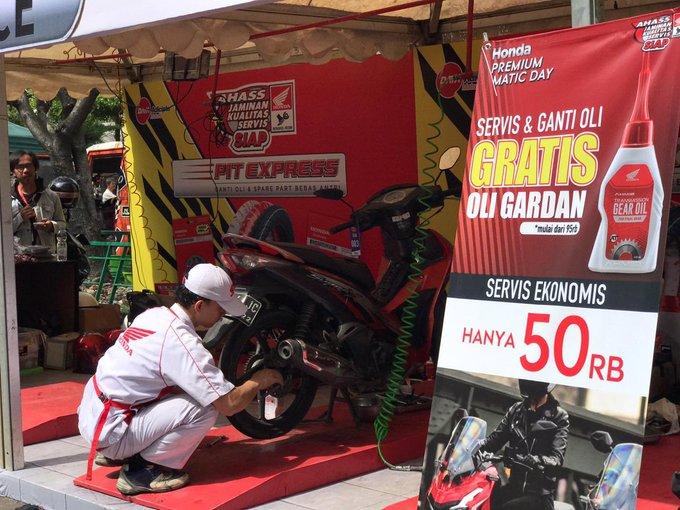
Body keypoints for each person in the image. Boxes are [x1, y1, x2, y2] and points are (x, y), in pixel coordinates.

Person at [77, 263, 283, 495]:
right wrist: (258, 380)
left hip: (93, 415)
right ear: (199, 305)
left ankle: (123, 451)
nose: (223, 314)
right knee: (206, 407)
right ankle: (143, 471)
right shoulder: (181, 342)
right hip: (112, 431)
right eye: (220, 307)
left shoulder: (153, 315)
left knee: (187, 391)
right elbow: (229, 404)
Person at [476, 379, 569, 510]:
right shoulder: (517, 410)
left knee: (508, 508)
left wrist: (536, 460)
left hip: (538, 495)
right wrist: (472, 446)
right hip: (514, 487)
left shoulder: (558, 416)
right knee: (485, 499)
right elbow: (495, 439)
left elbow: (557, 458)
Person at [10, 151, 66, 251]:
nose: (26, 170)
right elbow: (3, 230)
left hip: (46, 256)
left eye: (29, 166)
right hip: (17, 256)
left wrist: (51, 226)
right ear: (13, 171)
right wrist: (20, 218)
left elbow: (63, 224)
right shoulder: (6, 198)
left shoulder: (51, 196)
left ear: (36, 168)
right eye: (20, 167)